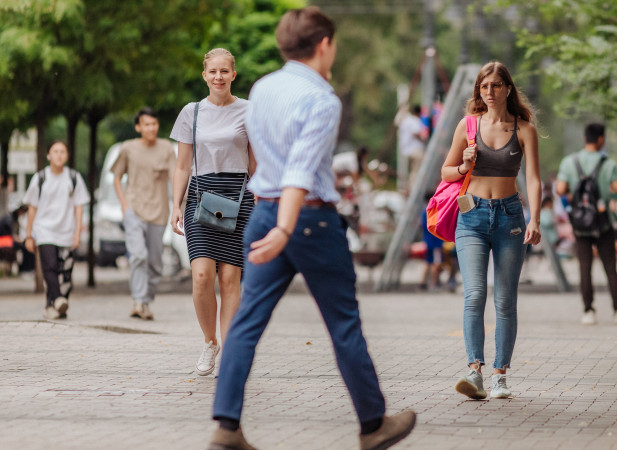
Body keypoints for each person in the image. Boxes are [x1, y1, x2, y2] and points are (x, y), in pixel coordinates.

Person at [208, 8, 416, 450]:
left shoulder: (262, 88)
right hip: (307, 219)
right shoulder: (322, 100)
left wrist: (275, 221)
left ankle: (226, 427)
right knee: (343, 324)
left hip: (264, 211)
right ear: (323, 44)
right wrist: (287, 228)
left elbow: (264, 157)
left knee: (245, 322)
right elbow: (300, 170)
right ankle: (373, 425)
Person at [441, 61, 541, 400]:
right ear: (478, 91)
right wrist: (464, 165)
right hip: (471, 215)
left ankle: (500, 374)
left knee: (505, 300)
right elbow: (446, 172)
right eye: (485, 86)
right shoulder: (467, 126)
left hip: (510, 217)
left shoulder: (523, 128)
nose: (490, 92)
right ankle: (474, 371)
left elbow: (534, 179)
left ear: (507, 89)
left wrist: (535, 218)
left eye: (496, 85)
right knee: (474, 295)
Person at [169, 48, 256, 377]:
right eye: (212, 71)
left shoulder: (249, 111)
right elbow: (181, 166)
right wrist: (175, 205)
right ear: (204, 75)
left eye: (224, 71)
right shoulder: (191, 113)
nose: (218, 76)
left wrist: (262, 200)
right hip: (200, 195)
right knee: (203, 276)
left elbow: (256, 163)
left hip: (239, 195)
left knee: (230, 279)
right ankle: (210, 342)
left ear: (234, 74)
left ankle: (230, 353)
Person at [556, 123, 617, 325]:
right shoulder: (609, 163)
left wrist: (575, 197)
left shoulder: (570, 162)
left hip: (580, 223)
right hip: (603, 221)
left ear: (584, 137)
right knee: (610, 266)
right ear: (601, 139)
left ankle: (589, 311)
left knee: (584, 267)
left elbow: (561, 188)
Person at [112, 107, 176, 320]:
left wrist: (178, 204)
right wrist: (124, 204)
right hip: (134, 209)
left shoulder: (166, 148)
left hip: (159, 212)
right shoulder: (128, 148)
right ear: (138, 127)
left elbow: (175, 177)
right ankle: (138, 301)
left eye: (154, 124)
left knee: (155, 263)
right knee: (138, 255)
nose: (151, 128)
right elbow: (116, 177)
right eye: (146, 124)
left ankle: (146, 301)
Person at [22, 141, 89, 319]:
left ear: (67, 156)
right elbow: (32, 208)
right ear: (48, 155)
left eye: (62, 152)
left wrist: (77, 232)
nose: (59, 155)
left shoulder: (74, 178)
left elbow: (79, 207)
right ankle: (58, 299)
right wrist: (29, 235)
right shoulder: (40, 178)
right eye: (55, 151)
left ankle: (53, 305)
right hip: (45, 231)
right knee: (50, 267)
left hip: (67, 232)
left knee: (66, 274)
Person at [398, 105, 428, 191]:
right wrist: (423, 140)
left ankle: (408, 189)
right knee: (416, 172)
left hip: (406, 150)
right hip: (415, 149)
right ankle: (414, 190)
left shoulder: (406, 120)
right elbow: (415, 133)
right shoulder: (415, 120)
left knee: (411, 172)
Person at [420, 195, 443, 290]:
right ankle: (435, 283)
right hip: (436, 242)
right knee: (435, 263)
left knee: (427, 262)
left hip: (427, 241)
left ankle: (422, 283)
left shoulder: (423, 212)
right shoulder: (434, 211)